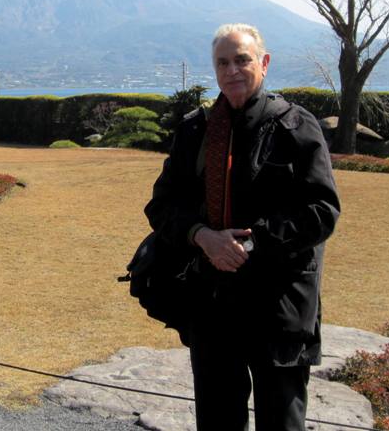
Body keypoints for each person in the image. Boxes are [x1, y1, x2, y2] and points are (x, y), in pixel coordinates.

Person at [144, 23, 340, 431]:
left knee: (281, 421)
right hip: (212, 302)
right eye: (222, 62)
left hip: (280, 304)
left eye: (242, 59)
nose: (232, 70)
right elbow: (161, 205)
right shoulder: (196, 129)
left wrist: (252, 244)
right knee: (217, 420)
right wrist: (203, 237)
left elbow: (322, 211)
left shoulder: (296, 126)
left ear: (264, 63)